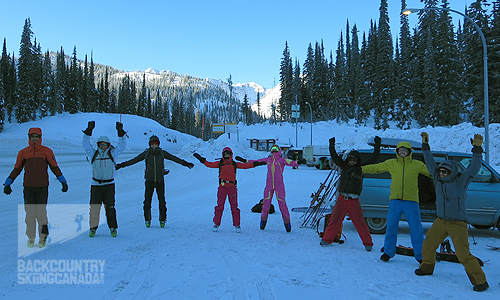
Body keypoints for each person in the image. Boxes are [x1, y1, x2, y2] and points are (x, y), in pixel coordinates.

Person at [415, 132, 489, 292]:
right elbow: (429, 162)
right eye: (440, 171)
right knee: (427, 245)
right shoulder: (437, 180)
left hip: (457, 223)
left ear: (452, 172)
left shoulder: (461, 181)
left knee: (463, 254)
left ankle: (480, 281)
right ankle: (427, 267)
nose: (441, 174)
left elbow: (474, 167)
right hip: (441, 221)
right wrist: (425, 147)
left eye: (445, 172)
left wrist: (477, 150)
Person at [361, 141, 431, 263]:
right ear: (397, 152)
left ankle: (420, 256)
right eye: (400, 150)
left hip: (412, 202)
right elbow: (376, 168)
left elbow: (432, 173)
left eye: (405, 150)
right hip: (395, 201)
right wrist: (359, 169)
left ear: (409, 151)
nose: (402, 152)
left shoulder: (417, 164)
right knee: (391, 228)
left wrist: (447, 174)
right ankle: (388, 252)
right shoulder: (391, 163)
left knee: (416, 229)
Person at [3, 127, 68, 248]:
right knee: (30, 214)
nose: (34, 139)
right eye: (32, 136)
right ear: (29, 137)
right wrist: (8, 183)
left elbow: (54, 167)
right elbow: (17, 168)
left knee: (41, 213)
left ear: (40, 138)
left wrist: (63, 181)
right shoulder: (23, 152)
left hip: (42, 187)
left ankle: (43, 237)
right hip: (28, 187)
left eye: (36, 137)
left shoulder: (47, 151)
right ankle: (31, 237)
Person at [115, 135, 194, 228]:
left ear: (158, 144)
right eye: (152, 144)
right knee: (147, 201)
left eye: (156, 144)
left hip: (160, 181)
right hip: (149, 181)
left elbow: (174, 158)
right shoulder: (146, 153)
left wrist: (185, 163)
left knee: (162, 201)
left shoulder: (162, 153)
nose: (154, 146)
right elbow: (134, 160)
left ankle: (162, 220)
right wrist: (122, 165)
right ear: (150, 145)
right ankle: (147, 219)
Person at [320, 136, 381, 250]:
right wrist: (331, 145)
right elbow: (334, 156)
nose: (352, 161)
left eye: (354, 160)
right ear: (347, 160)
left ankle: (368, 244)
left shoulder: (361, 169)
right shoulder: (344, 167)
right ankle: (327, 239)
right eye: (350, 159)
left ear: (358, 161)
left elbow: (374, 159)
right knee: (335, 220)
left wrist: (377, 146)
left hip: (354, 201)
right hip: (342, 199)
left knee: (360, 223)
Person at [192, 147, 265, 232]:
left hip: (232, 188)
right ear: (223, 155)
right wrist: (202, 159)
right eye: (225, 154)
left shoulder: (234, 164)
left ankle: (237, 225)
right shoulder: (220, 163)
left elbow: (245, 166)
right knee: (219, 206)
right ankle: (216, 223)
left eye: (228, 154)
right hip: (222, 188)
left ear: (231, 155)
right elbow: (210, 164)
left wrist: (257, 164)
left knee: (234, 207)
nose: (226, 156)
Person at [236, 144, 298, 232]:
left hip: (279, 186)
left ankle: (287, 223)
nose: (274, 151)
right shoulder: (268, 160)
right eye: (272, 150)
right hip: (269, 186)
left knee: (282, 204)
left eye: (276, 150)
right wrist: (245, 160)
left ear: (279, 151)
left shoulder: (282, 160)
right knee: (265, 204)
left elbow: (291, 162)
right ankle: (263, 221)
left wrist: (298, 162)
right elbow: (256, 161)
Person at [82, 121, 126, 237]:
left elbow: (122, 145)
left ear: (108, 145)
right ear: (98, 145)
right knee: (94, 209)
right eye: (101, 144)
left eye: (105, 144)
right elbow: (85, 144)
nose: (103, 146)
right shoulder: (93, 154)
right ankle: (93, 228)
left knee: (110, 208)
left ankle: (113, 228)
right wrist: (88, 131)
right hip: (96, 185)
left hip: (109, 185)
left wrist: (120, 132)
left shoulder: (113, 154)